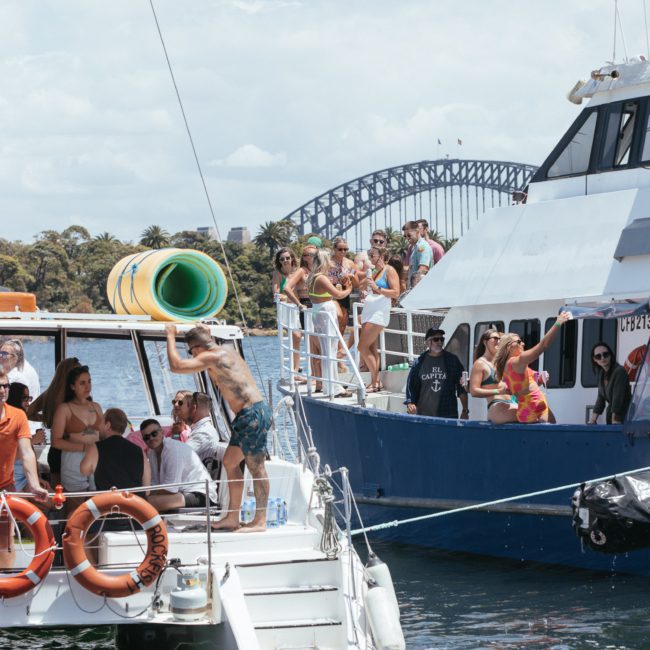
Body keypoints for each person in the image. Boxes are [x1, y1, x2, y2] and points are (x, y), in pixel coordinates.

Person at [165, 323, 272, 531]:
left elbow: (176, 366)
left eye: (191, 352)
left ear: (196, 349)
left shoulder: (211, 356)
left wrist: (170, 335)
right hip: (247, 414)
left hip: (252, 414)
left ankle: (260, 521)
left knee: (256, 467)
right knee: (230, 462)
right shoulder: (227, 350)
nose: (193, 355)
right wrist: (206, 332)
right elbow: (206, 341)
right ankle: (232, 517)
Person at [0, 370, 48, 569]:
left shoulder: (18, 416)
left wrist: (34, 485)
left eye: (5, 385)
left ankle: (5, 591)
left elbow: (27, 453)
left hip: (5, 487)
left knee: (6, 543)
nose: (3, 390)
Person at [494, 311, 572, 423]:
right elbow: (543, 345)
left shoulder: (505, 367)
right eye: (519, 341)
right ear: (509, 346)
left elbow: (520, 388)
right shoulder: (517, 361)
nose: (523, 344)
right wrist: (558, 323)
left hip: (529, 412)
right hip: (534, 412)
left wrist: (539, 379)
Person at [51, 365, 103, 512]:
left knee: (96, 506)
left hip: (95, 460)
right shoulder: (64, 409)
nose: (88, 386)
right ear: (72, 386)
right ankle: (69, 534)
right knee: (75, 508)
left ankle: (91, 535)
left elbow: (104, 435)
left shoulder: (97, 407)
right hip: (73, 460)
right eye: (82, 383)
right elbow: (56, 441)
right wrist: (84, 448)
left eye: (89, 381)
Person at [28, 357, 82, 488]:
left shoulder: (49, 394)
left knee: (56, 492)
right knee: (74, 494)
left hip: (55, 450)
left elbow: (28, 412)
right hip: (72, 450)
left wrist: (46, 418)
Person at [142, 418, 217, 512]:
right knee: (143, 501)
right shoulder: (151, 452)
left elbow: (170, 489)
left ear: (162, 432)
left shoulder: (173, 449)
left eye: (154, 434)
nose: (151, 438)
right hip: (181, 492)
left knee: (148, 502)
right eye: (146, 437)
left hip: (201, 494)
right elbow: (154, 483)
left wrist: (147, 494)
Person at [308, 250, 354, 398]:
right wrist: (349, 289)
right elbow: (338, 295)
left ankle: (330, 386)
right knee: (331, 351)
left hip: (318, 312)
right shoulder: (321, 278)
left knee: (326, 350)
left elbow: (325, 294)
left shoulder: (312, 277)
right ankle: (334, 388)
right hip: (326, 313)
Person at [358, 247, 400, 392]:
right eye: (369, 255)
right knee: (371, 348)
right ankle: (375, 382)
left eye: (373, 255)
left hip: (378, 313)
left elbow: (395, 293)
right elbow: (361, 285)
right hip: (369, 311)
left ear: (381, 256)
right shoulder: (374, 271)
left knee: (361, 347)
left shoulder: (389, 270)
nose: (370, 258)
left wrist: (377, 288)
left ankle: (375, 382)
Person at [80, 408, 150, 491]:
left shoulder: (95, 448)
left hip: (109, 502)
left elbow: (84, 471)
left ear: (108, 425)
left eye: (101, 422)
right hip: (135, 502)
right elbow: (147, 490)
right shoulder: (139, 450)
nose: (98, 427)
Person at [405, 328, 469, 418]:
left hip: (448, 415)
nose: (439, 342)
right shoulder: (419, 362)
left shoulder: (453, 360)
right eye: (435, 339)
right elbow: (411, 386)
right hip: (424, 416)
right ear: (427, 342)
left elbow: (462, 388)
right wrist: (410, 404)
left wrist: (465, 410)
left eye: (441, 339)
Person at [286, 244, 321, 388]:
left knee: (319, 342)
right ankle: (313, 376)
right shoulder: (301, 271)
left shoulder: (319, 270)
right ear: (305, 258)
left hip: (319, 305)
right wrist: (299, 304)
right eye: (309, 254)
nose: (313, 257)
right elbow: (287, 288)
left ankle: (318, 376)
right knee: (312, 343)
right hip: (307, 306)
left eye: (314, 254)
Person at [469, 329, 517, 424]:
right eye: (495, 338)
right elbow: (473, 391)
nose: (498, 341)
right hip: (497, 407)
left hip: (513, 403)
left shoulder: (501, 363)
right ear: (485, 341)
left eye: (500, 339)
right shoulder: (480, 364)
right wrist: (498, 391)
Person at [272, 247, 304, 380]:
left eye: (287, 258)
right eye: (282, 259)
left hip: (298, 307)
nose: (285, 261)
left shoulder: (298, 272)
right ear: (279, 261)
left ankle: (296, 369)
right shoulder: (277, 274)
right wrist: (287, 297)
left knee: (298, 337)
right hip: (286, 308)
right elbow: (276, 294)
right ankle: (295, 370)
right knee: (296, 336)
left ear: (292, 258)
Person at [7, 382, 46, 491]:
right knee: (51, 503)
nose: (28, 402)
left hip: (26, 478)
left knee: (51, 504)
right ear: (15, 398)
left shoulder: (21, 419)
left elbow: (27, 451)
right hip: (14, 480)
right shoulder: (8, 422)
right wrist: (33, 440)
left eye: (29, 398)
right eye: (25, 398)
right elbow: (9, 456)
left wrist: (37, 479)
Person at [127, 389, 191, 452]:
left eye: (180, 402)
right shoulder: (175, 425)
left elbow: (175, 448)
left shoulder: (190, 430)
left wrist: (175, 433)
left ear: (190, 406)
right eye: (174, 402)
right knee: (132, 437)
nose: (176, 405)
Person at [588, 342, 632, 425]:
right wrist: (592, 420)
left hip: (625, 416)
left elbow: (617, 399)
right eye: (598, 356)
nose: (602, 358)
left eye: (605, 354)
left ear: (610, 355)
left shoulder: (619, 371)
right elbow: (600, 399)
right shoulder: (601, 374)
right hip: (612, 416)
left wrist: (615, 421)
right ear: (595, 360)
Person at [328, 237, 358, 355]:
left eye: (346, 249)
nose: (343, 252)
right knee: (338, 317)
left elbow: (356, 284)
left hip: (345, 292)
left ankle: (337, 351)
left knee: (342, 324)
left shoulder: (350, 263)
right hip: (332, 292)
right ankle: (336, 349)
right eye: (340, 249)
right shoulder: (328, 262)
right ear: (334, 249)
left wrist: (350, 276)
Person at [187, 391, 228, 477]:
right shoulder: (203, 429)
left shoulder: (203, 433)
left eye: (188, 406)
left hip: (193, 482)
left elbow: (180, 455)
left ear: (194, 408)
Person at [402, 221, 432, 289]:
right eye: (405, 236)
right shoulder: (414, 248)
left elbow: (423, 269)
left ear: (417, 231)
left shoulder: (422, 246)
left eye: (409, 235)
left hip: (419, 290)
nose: (407, 238)